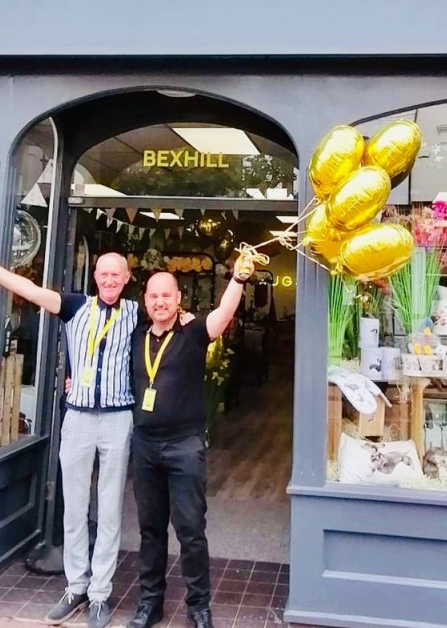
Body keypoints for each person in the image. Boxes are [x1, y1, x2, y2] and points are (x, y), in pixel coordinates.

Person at [0, 238, 137, 628]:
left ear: (126, 278)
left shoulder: (137, 313)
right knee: (74, 507)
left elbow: (173, 321)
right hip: (77, 418)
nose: (109, 279)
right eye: (103, 273)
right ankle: (76, 586)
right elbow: (32, 291)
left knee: (109, 511)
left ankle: (100, 595)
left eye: (116, 274)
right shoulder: (75, 307)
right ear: (96, 276)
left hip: (117, 418)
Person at [127, 252, 255, 628]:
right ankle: (150, 604)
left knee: (190, 532)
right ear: (145, 301)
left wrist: (238, 279)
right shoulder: (136, 336)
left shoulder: (193, 332)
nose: (160, 302)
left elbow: (224, 314)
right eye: (153, 296)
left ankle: (199, 607)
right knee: (150, 531)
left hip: (184, 446)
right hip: (146, 446)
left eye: (167, 295)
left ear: (178, 298)